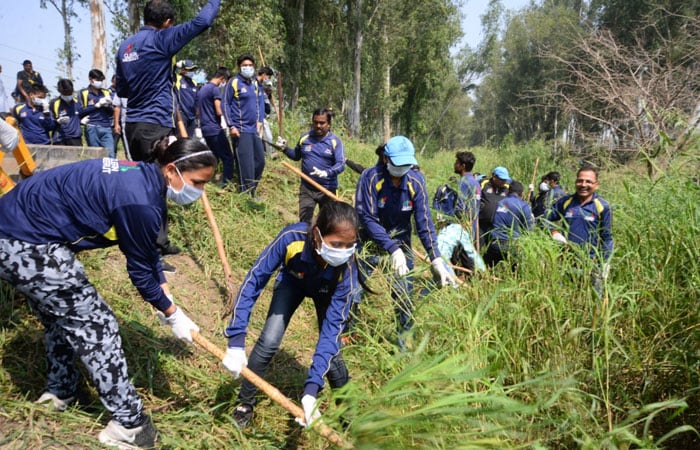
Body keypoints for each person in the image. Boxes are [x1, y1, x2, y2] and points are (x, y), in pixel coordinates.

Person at [0, 138, 217, 449]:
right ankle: (129, 425)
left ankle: (62, 389)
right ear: (172, 170)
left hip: (14, 229)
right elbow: (139, 272)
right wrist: (172, 315)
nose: (200, 191)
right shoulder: (139, 200)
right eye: (198, 182)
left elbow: (147, 252)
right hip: (25, 242)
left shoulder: (141, 176)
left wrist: (168, 303)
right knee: (97, 326)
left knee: (59, 317)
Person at [222, 201, 359, 429]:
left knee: (333, 355)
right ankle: (245, 403)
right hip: (292, 283)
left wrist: (311, 391)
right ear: (317, 235)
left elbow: (330, 332)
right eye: (336, 244)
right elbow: (254, 280)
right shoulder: (292, 238)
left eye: (350, 245)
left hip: (328, 293)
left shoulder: (347, 270)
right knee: (269, 340)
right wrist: (236, 340)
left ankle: (349, 417)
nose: (342, 251)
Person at [355, 136, 458, 349]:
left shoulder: (416, 181)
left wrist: (435, 257)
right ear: (385, 158)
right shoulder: (370, 178)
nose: (402, 168)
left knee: (404, 297)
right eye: (397, 163)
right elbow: (367, 217)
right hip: (369, 242)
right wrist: (391, 248)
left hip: (401, 245)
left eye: (406, 164)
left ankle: (403, 345)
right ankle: (347, 332)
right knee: (353, 290)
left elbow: (424, 221)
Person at [116, 0, 220, 162]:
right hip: (156, 124)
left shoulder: (124, 47)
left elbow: (122, 91)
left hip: (132, 127)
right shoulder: (161, 39)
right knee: (162, 178)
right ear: (167, 22)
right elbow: (202, 21)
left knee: (142, 178)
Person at [546, 165, 613, 293]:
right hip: (566, 262)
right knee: (564, 299)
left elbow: (607, 237)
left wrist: (606, 262)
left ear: (596, 185)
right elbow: (544, 219)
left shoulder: (602, 206)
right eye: (580, 180)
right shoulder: (566, 202)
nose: (583, 184)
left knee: (593, 301)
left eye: (588, 181)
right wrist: (554, 232)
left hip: (592, 264)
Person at [276, 108, 346, 223]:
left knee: (328, 223)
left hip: (327, 189)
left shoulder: (335, 142)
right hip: (307, 188)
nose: (318, 125)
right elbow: (296, 156)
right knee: (304, 222)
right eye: (315, 122)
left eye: (322, 123)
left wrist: (327, 172)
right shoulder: (305, 138)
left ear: (328, 124)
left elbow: (341, 164)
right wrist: (284, 148)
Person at [222, 54, 266, 197]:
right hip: (241, 130)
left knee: (260, 161)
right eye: (244, 66)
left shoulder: (254, 84)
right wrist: (231, 126)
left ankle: (251, 190)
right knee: (246, 164)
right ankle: (247, 195)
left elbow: (260, 103)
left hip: (254, 129)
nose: (247, 68)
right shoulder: (233, 82)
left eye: (250, 65)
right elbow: (225, 103)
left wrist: (260, 121)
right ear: (239, 67)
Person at [196, 67, 234, 185]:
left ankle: (207, 180)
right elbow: (219, 111)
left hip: (205, 128)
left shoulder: (203, 89)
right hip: (215, 128)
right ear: (223, 78)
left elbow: (198, 111)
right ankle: (226, 183)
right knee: (228, 157)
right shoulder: (214, 89)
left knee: (214, 157)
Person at [483, 181, 534, 267]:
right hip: (513, 246)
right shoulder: (524, 206)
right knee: (514, 272)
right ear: (522, 194)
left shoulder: (499, 203)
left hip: (496, 244)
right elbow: (529, 230)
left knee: (487, 268)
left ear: (508, 191)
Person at [79, 69, 115, 155]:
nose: (100, 82)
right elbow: (81, 111)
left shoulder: (106, 92)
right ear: (91, 79)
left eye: (101, 80)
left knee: (110, 154)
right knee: (95, 155)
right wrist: (96, 105)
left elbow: (111, 112)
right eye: (97, 80)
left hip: (106, 126)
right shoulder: (84, 93)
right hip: (92, 126)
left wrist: (107, 106)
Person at [479, 166, 511, 247]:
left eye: (505, 179)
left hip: (497, 226)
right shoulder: (483, 183)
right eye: (501, 179)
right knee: (477, 246)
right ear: (494, 176)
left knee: (494, 249)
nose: (503, 181)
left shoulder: (507, 188)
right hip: (481, 224)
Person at [453, 151, 481, 242]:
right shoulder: (475, 182)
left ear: (463, 166)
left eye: (457, 163)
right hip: (473, 226)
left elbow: (460, 206)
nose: (455, 164)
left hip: (463, 227)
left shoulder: (463, 182)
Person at [50, 79, 83, 147]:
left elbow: (82, 115)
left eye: (70, 93)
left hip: (75, 138)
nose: (68, 95)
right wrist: (57, 122)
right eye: (65, 93)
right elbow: (50, 123)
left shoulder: (78, 103)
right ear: (60, 91)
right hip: (59, 138)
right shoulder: (54, 103)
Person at [174, 59, 199, 138]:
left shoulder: (193, 82)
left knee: (190, 139)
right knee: (181, 139)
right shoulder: (177, 79)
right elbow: (170, 70)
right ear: (183, 69)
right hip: (181, 115)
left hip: (192, 116)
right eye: (189, 69)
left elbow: (196, 99)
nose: (191, 71)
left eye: (192, 69)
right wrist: (176, 65)